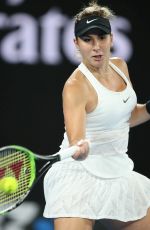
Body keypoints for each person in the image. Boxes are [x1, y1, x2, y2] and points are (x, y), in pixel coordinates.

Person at [43, 1, 150, 229]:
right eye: (87, 39)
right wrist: (80, 149)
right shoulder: (75, 86)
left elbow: (126, 118)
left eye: (102, 37)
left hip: (117, 170)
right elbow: (76, 140)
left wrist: (148, 108)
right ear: (76, 43)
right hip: (78, 177)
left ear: (111, 38)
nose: (96, 46)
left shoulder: (120, 66)